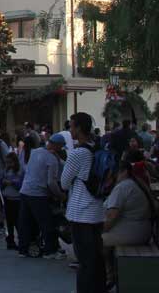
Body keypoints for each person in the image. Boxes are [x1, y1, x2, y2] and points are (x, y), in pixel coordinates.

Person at [62, 112, 106, 293]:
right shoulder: (97, 147)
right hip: (97, 210)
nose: (70, 130)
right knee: (96, 257)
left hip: (80, 212)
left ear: (79, 128)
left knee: (84, 260)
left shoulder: (78, 153)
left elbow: (64, 183)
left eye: (71, 126)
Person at [102, 150, 153, 290]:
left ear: (124, 172)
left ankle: (106, 277)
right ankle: (109, 275)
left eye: (115, 172)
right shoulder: (134, 183)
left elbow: (111, 217)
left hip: (133, 232)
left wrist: (97, 230)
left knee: (94, 241)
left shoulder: (123, 187)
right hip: (140, 230)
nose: (112, 176)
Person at [18, 133, 65, 258]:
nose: (62, 148)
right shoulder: (52, 159)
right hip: (39, 194)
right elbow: (51, 183)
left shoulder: (36, 152)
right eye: (61, 146)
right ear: (58, 145)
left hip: (25, 191)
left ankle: (23, 249)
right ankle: (50, 251)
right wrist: (60, 195)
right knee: (47, 223)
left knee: (26, 222)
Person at [0, 151, 24, 250]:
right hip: (7, 198)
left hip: (17, 199)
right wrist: (4, 182)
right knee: (9, 221)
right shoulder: (6, 170)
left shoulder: (20, 171)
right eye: (7, 163)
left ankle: (22, 240)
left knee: (18, 221)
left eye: (10, 162)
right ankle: (10, 241)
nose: (8, 165)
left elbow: (21, 185)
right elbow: (1, 184)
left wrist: (12, 182)